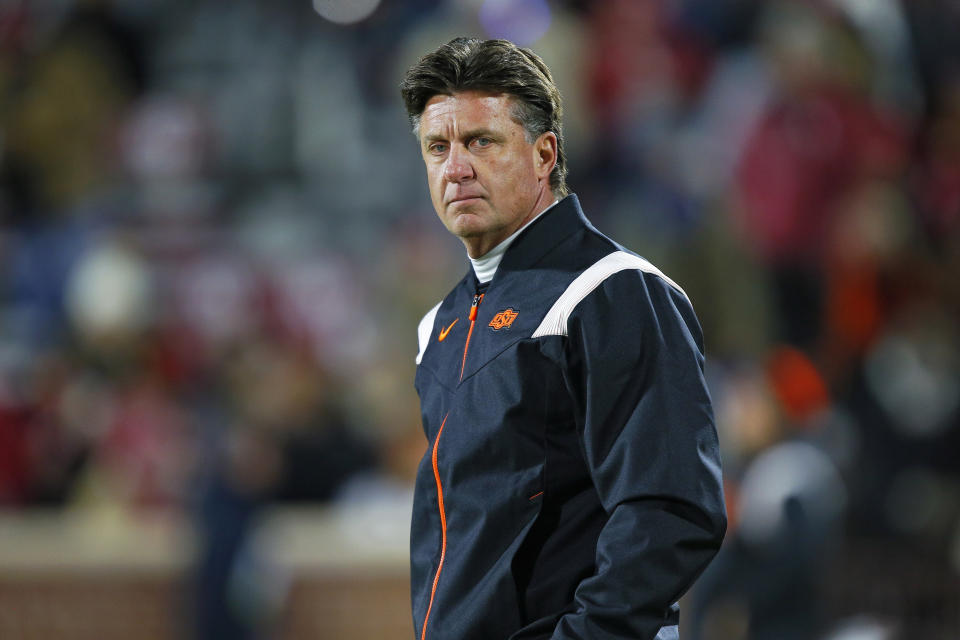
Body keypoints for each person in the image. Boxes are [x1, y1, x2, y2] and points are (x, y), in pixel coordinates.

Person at [400, 37, 726, 640]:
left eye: (481, 141)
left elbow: (672, 509)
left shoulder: (613, 291)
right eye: (437, 147)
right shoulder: (438, 327)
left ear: (544, 154)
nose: (456, 168)